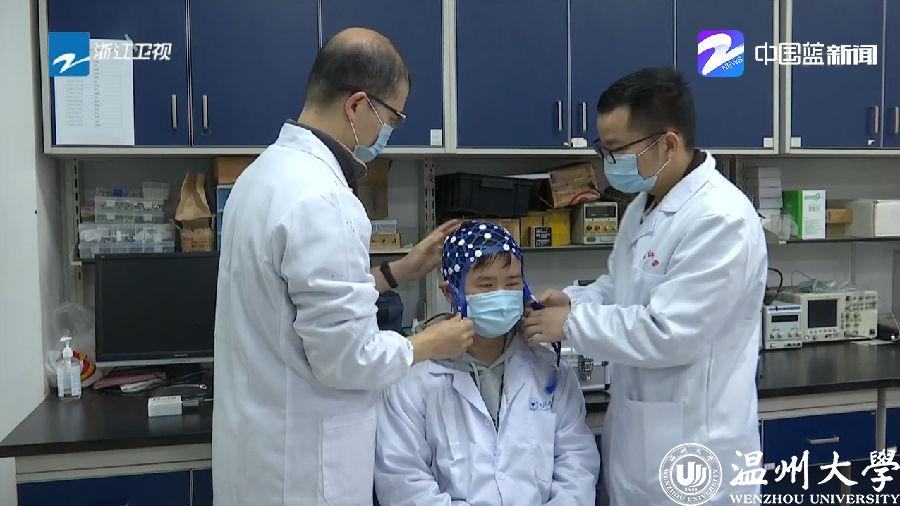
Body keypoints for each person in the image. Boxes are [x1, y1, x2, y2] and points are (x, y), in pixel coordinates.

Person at [213, 28, 475, 506]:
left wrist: (399, 272)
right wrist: (428, 343)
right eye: (391, 118)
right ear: (357, 106)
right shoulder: (325, 200)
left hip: (260, 452)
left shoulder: (261, 176)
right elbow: (346, 359)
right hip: (304, 473)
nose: (387, 134)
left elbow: (296, 301)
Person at [522, 68, 767, 505]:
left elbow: (670, 332)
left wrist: (571, 324)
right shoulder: (645, 204)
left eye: (616, 150)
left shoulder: (720, 219)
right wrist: (573, 300)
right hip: (641, 445)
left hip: (699, 450)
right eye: (603, 149)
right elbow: (623, 288)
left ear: (668, 143)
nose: (607, 162)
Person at [375, 220, 601, 506]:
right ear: (450, 292)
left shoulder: (548, 365)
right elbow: (404, 482)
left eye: (512, 283)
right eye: (486, 285)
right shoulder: (415, 376)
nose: (502, 294)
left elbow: (577, 462)